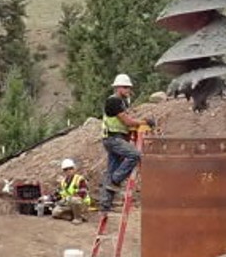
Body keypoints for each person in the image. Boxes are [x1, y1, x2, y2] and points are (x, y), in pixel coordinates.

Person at [100, 73, 154, 211]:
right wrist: (144, 122)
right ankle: (116, 180)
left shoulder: (121, 103)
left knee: (111, 170)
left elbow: (127, 124)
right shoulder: (114, 101)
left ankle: (105, 205)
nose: (129, 90)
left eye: (129, 87)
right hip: (113, 139)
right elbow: (128, 121)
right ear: (118, 88)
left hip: (116, 138)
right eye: (126, 87)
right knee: (134, 155)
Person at [51, 158, 90, 222]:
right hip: (70, 205)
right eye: (66, 169)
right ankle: (72, 216)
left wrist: (68, 199)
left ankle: (78, 218)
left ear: (74, 169)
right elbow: (60, 194)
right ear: (64, 171)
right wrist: (53, 199)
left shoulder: (80, 179)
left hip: (82, 204)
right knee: (55, 212)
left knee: (75, 200)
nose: (68, 171)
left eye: (70, 168)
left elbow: (82, 194)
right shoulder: (63, 182)